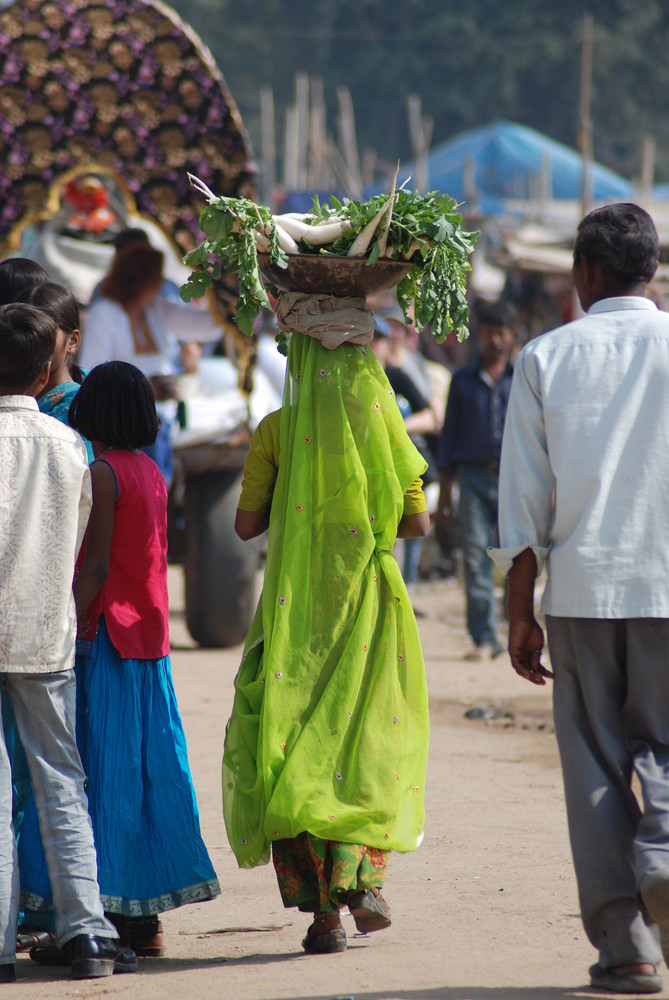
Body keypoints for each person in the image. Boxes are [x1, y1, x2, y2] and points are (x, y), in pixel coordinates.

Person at [489, 203, 669, 996]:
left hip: (582, 590)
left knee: (594, 761)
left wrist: (517, 608)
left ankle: (625, 946)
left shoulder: (544, 357)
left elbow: (521, 499)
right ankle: (663, 857)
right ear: (653, 270)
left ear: (584, 273)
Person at [223, 293, 430, 955]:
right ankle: (358, 877)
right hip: (368, 604)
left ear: (299, 353)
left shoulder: (277, 431)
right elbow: (419, 522)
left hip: (295, 614)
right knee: (363, 740)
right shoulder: (383, 422)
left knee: (289, 740)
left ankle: (324, 916)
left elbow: (245, 525)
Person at [26, 361, 221, 961]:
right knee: (141, 770)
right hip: (149, 644)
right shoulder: (151, 472)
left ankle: (101, 918)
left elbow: (98, 567)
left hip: (107, 638)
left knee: (101, 773)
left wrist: (59, 622)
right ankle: (144, 918)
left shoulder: (103, 473)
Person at [0, 303, 135, 981]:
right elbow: (79, 546)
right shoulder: (68, 446)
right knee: (61, 782)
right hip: (45, 634)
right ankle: (86, 932)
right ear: (46, 367)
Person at [80, 242, 223, 486]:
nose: (161, 282)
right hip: (122, 430)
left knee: (158, 493)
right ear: (137, 280)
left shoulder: (156, 308)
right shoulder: (104, 313)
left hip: (160, 423)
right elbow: (90, 375)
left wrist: (224, 293)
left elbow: (209, 327)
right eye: (155, 276)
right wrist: (144, 390)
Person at [435, 299, 517, 659]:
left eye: (501, 332)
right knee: (475, 558)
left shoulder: (522, 380)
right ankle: (485, 638)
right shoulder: (462, 382)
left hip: (514, 481)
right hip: (471, 481)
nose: (494, 339)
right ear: (479, 337)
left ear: (512, 337)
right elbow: (448, 440)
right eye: (488, 332)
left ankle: (517, 629)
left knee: (516, 556)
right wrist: (443, 495)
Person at [18, 281, 94, 461]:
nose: (33, 341)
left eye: (46, 331)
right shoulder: (14, 395)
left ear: (73, 341)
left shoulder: (84, 410)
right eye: (23, 330)